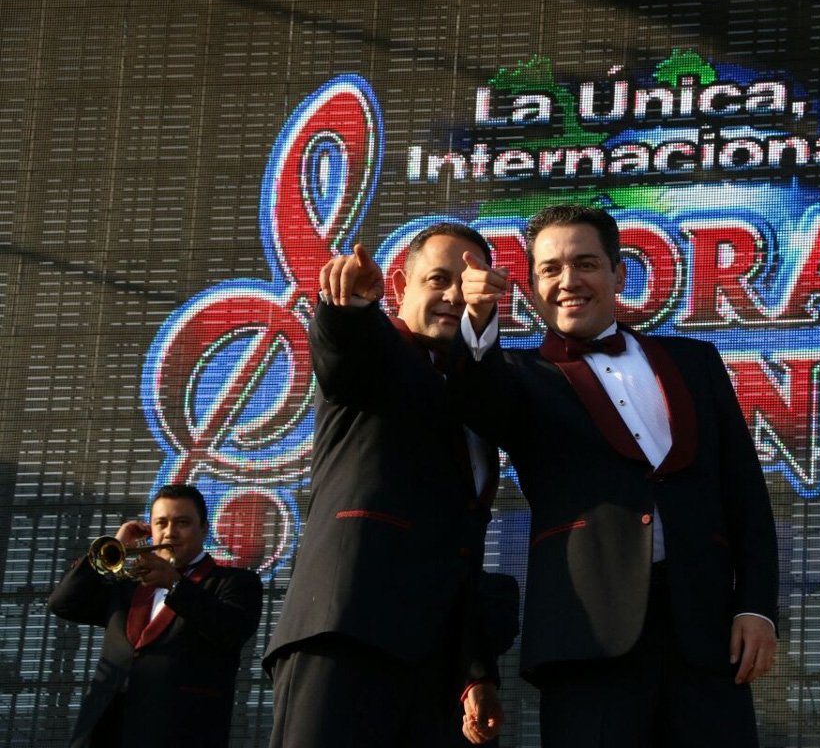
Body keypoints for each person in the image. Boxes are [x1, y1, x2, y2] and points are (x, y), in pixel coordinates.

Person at [455, 204, 779, 747]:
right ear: (531, 286)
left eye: (585, 263)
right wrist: (480, 319)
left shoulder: (696, 363)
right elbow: (478, 399)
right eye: (550, 269)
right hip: (586, 640)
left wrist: (756, 607)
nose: (568, 281)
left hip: (705, 635)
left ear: (619, 274)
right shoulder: (517, 375)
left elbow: (744, 494)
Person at [264, 223, 510, 747]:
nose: (452, 295)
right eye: (437, 279)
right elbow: (344, 350)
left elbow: (460, 548)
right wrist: (349, 306)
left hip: (439, 667)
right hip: (348, 632)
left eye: (466, 283)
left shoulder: (479, 392)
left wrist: (476, 671)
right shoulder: (381, 352)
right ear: (400, 286)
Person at [47, 483, 263, 748]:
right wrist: (114, 546)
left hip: (181, 733)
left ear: (204, 529)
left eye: (182, 522)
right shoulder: (127, 586)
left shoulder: (236, 582)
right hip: (104, 731)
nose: (170, 532)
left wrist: (175, 584)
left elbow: (232, 631)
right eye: (161, 523)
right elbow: (63, 603)